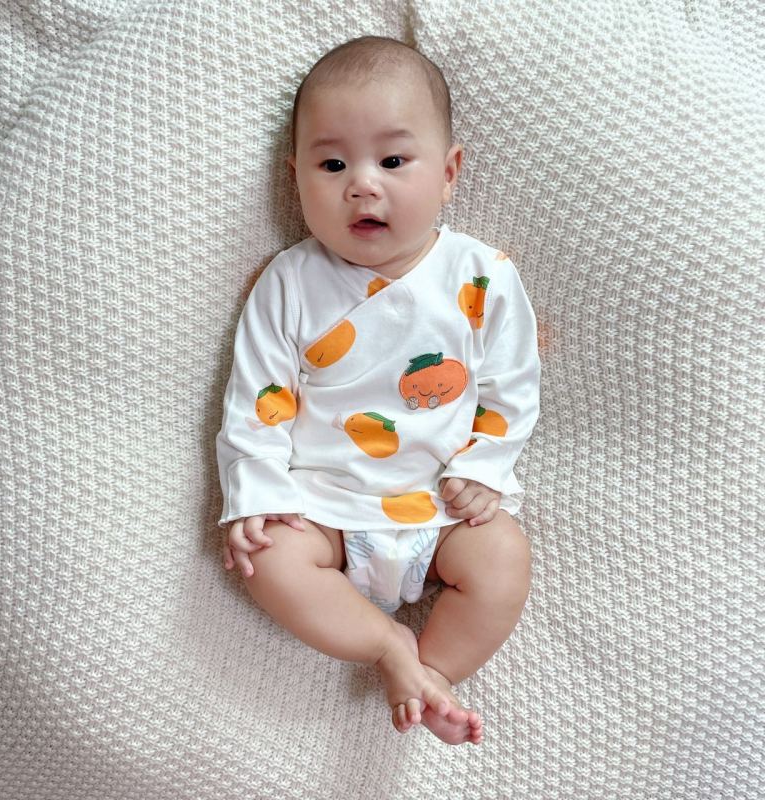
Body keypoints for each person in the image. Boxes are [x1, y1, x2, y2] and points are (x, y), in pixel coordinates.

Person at [217, 35, 540, 746]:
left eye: (393, 162)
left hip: (442, 507)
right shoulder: (290, 281)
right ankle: (387, 646)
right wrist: (257, 492)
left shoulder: (481, 275)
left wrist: (485, 467)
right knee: (263, 557)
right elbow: (259, 399)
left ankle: (434, 674)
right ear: (296, 178)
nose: (362, 185)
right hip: (324, 509)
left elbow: (511, 387)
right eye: (332, 165)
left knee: (504, 558)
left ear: (448, 174)